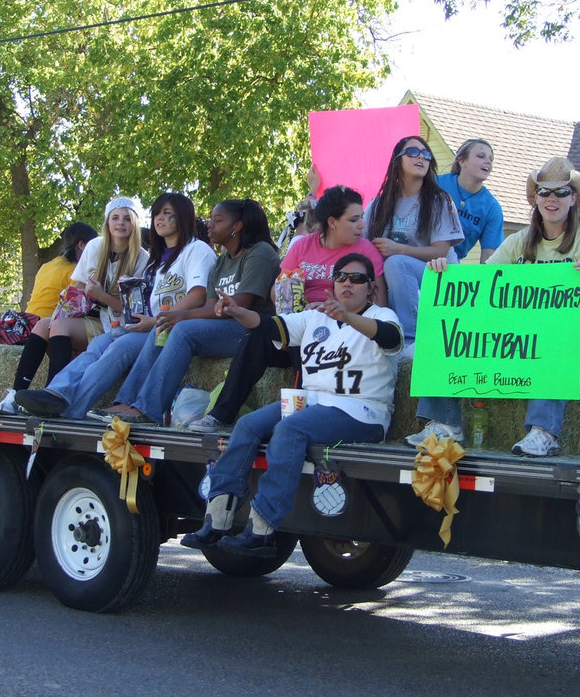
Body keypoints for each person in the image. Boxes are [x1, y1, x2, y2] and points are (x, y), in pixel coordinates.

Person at [180, 253, 403, 556]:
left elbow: (390, 338)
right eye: (341, 277)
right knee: (247, 426)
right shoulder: (315, 317)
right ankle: (217, 518)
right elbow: (270, 326)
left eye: (357, 278)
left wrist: (347, 317)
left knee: (290, 429)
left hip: (361, 411)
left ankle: (262, 530)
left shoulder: (384, 315)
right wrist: (236, 311)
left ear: (371, 287)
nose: (347, 283)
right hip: (314, 403)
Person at [426, 157, 580, 456]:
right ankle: (445, 424)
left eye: (561, 192)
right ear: (535, 198)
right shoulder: (518, 241)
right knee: (450, 327)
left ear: (573, 198)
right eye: (544, 192)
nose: (552, 199)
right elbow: (480, 285)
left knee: (553, 330)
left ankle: (544, 432)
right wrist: (446, 273)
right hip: (521, 337)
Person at [186, 185, 386, 432]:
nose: (362, 226)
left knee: (305, 340)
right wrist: (290, 296)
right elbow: (275, 289)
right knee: (256, 338)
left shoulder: (365, 251)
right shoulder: (303, 246)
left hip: (339, 333)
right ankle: (221, 414)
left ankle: (300, 416)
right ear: (332, 222)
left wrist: (329, 310)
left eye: (361, 218)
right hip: (298, 320)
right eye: (354, 219)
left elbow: (379, 302)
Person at [12, 194, 216, 419]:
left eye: (168, 214)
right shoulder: (157, 260)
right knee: (99, 344)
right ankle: (55, 393)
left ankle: (70, 411)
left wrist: (155, 320)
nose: (160, 219)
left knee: (118, 348)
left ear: (184, 217)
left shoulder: (196, 250)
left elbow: (198, 295)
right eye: (157, 213)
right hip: (146, 324)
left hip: (170, 328)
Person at [90, 198, 282, 425]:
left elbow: (240, 305)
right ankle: (127, 401)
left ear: (236, 227)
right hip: (225, 327)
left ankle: (147, 409)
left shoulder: (259, 253)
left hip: (253, 331)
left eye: (217, 220)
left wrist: (181, 316)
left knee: (181, 329)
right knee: (165, 326)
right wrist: (173, 318)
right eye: (210, 219)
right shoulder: (221, 262)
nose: (209, 224)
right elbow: (212, 307)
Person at [0, 201, 145, 414]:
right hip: (90, 314)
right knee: (42, 326)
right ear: (107, 222)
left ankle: (51, 395)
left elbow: (132, 311)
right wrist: (74, 301)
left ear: (135, 223)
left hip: (115, 324)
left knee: (59, 327)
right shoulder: (95, 247)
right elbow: (79, 287)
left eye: (127, 218)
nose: (121, 223)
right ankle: (15, 395)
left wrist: (101, 295)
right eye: (115, 217)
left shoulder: (142, 258)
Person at [364, 135, 464, 349]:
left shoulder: (440, 201)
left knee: (395, 263)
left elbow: (441, 252)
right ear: (397, 161)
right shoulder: (378, 205)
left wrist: (396, 248)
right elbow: (360, 244)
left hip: (440, 276)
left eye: (426, 154)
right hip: (397, 283)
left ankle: (410, 340)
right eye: (412, 152)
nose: (421, 157)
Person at [435, 138, 505, 262]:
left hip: (451, 268)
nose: (488, 162)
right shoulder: (435, 184)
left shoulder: (492, 208)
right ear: (462, 161)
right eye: (481, 156)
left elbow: (489, 258)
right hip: (421, 254)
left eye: (491, 159)